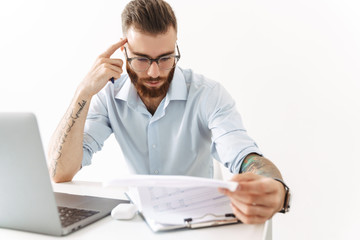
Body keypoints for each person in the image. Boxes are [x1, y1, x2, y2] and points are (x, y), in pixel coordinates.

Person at [48, 0, 290, 224]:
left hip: (199, 221)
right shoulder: (109, 96)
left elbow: (244, 156)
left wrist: (276, 188)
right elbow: (59, 172)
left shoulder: (208, 95)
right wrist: (83, 92)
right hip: (137, 223)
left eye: (165, 58)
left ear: (176, 48)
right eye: (141, 60)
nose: (154, 72)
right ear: (124, 52)